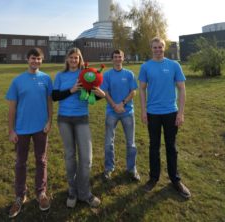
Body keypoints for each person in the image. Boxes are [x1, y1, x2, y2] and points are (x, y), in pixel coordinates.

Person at [138, 37, 191, 199]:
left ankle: (175, 180)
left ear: (164, 48)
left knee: (171, 147)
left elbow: (182, 89)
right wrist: (143, 111)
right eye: (155, 47)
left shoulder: (174, 65)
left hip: (170, 112)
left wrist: (180, 113)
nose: (158, 50)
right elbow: (141, 89)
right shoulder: (145, 67)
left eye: (160, 47)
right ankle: (153, 178)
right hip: (153, 113)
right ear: (151, 48)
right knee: (154, 146)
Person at [52, 47, 105, 208]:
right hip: (64, 120)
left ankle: (85, 193)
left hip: (82, 119)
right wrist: (71, 90)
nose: (74, 60)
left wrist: (101, 95)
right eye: (71, 58)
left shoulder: (86, 73)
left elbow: (94, 93)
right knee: (70, 156)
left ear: (80, 59)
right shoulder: (60, 76)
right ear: (67, 59)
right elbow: (54, 97)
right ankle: (72, 191)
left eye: (77, 58)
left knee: (86, 159)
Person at [6, 48, 53, 218]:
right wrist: (11, 130)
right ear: (27, 60)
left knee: (41, 160)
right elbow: (12, 108)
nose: (36, 62)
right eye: (33, 58)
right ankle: (20, 196)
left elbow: (49, 103)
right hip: (22, 129)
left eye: (39, 59)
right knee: (20, 162)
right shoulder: (17, 81)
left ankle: (41, 193)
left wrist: (49, 121)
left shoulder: (46, 79)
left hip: (41, 128)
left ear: (42, 60)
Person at [101, 49, 140, 181]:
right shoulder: (107, 75)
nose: (118, 59)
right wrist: (114, 105)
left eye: (120, 57)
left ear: (123, 58)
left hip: (127, 111)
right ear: (112, 59)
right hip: (111, 112)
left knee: (131, 143)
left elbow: (133, 91)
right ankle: (109, 168)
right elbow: (105, 92)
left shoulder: (129, 74)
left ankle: (131, 168)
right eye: (115, 57)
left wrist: (122, 104)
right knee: (108, 142)